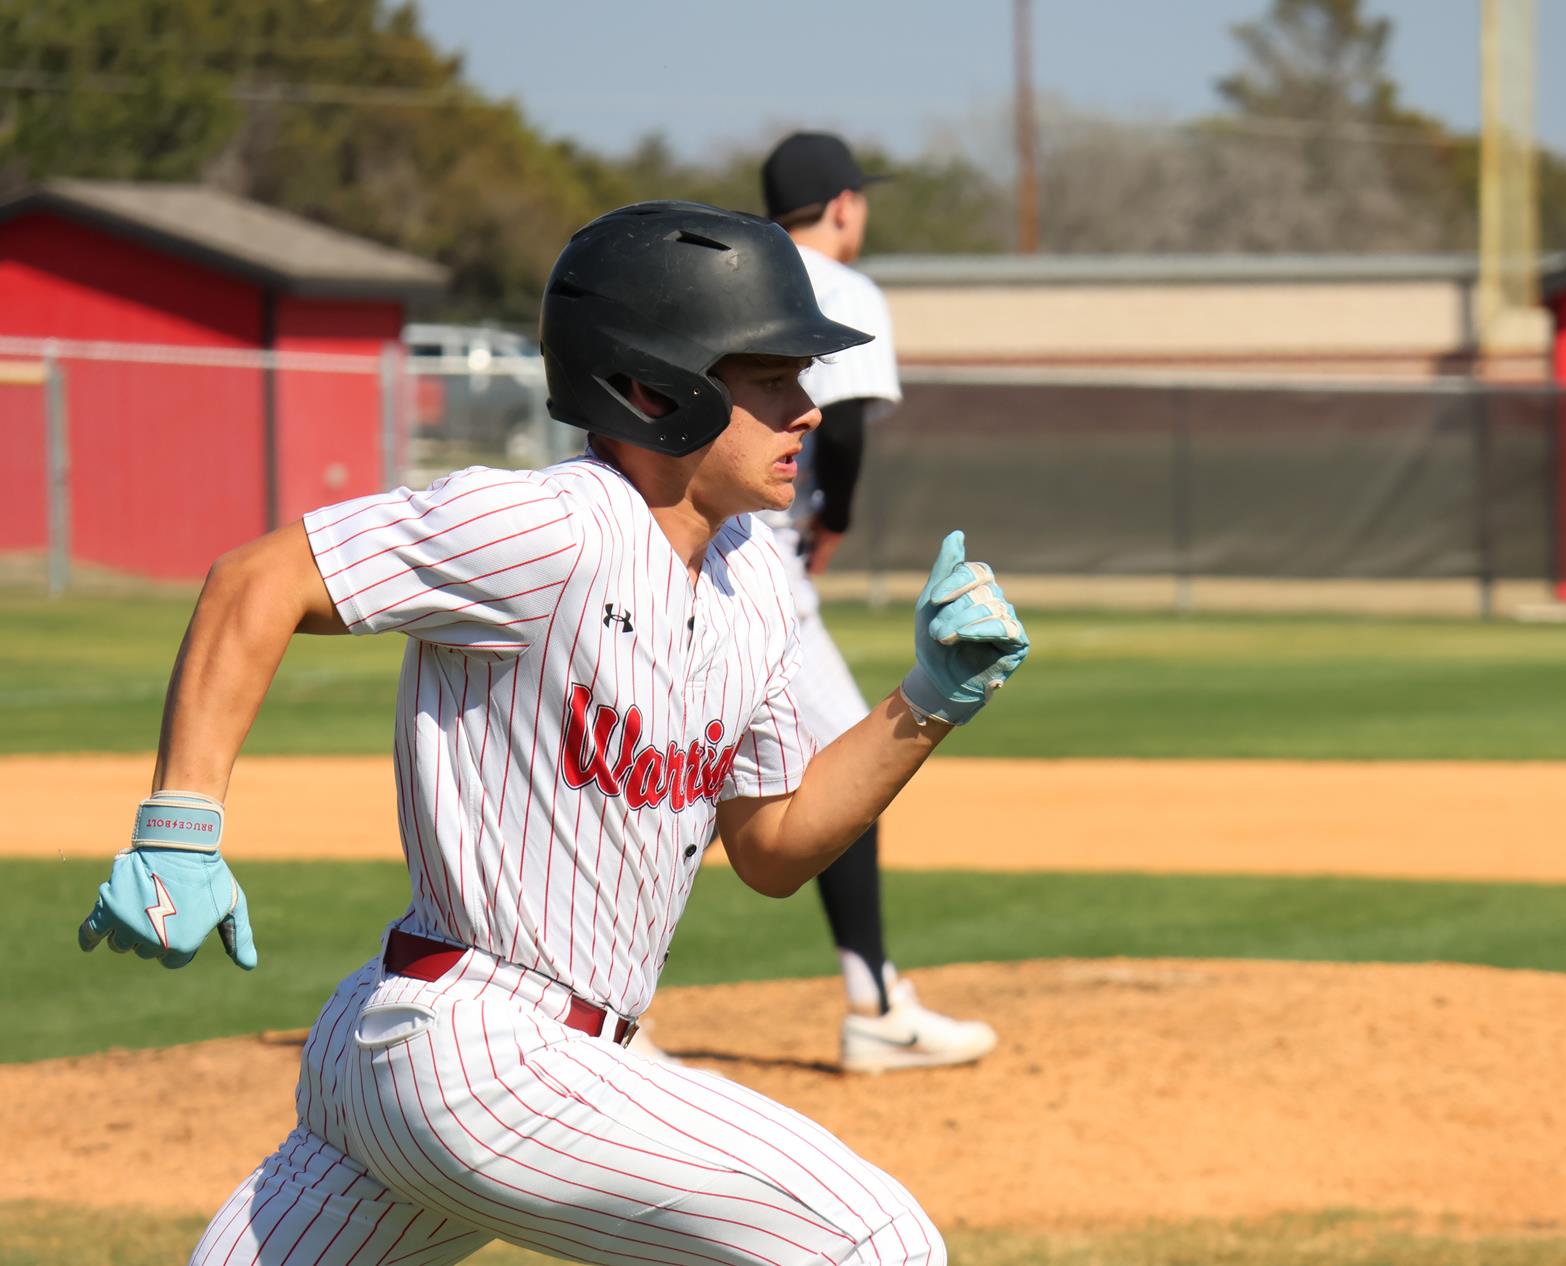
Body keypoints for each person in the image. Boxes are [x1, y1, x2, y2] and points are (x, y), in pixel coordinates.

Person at [76, 201, 1029, 1266]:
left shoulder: (752, 576)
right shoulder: (552, 527)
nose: (807, 409)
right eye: (772, 379)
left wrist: (925, 703)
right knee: (876, 1241)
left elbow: (773, 846)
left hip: (452, 1064)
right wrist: (177, 827)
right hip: (482, 1051)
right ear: (655, 386)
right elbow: (260, 579)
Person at [704, 130, 997, 1074]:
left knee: (676, 760)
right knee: (839, 775)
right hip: (758, 562)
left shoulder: (732, 267)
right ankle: (873, 1005)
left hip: (682, 541)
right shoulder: (843, 287)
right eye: (859, 200)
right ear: (841, 204)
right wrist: (836, 519)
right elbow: (853, 426)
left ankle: (873, 993)